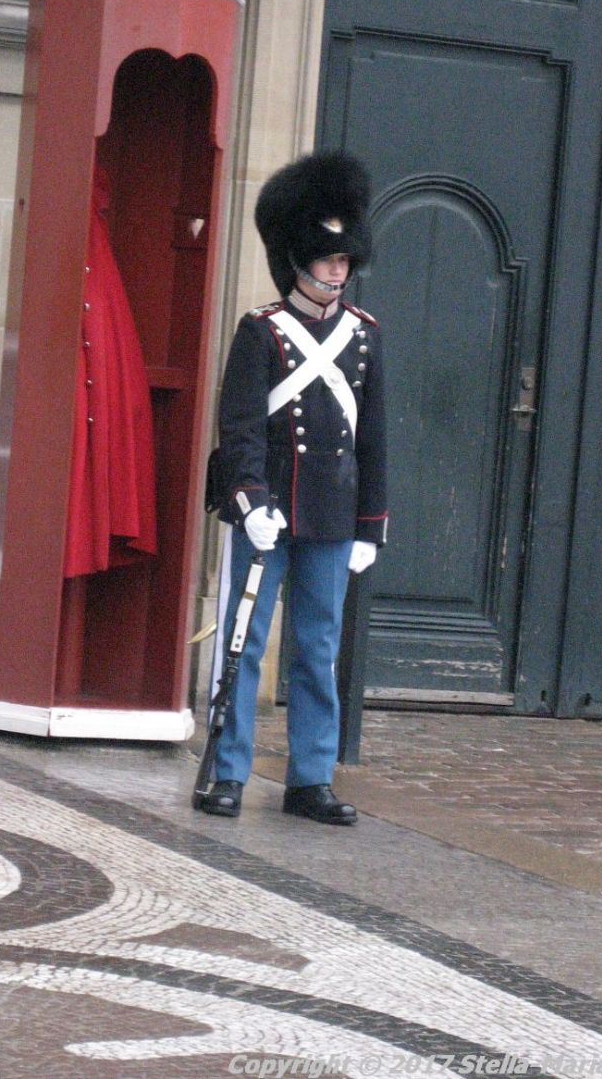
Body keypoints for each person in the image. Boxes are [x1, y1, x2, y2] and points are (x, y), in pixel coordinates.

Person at [200, 151, 388, 825]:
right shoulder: (261, 332)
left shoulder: (362, 338)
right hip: (269, 512)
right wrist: (248, 500)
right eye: (325, 259)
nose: (336, 271)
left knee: (316, 648)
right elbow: (241, 424)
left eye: (343, 260)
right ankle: (228, 770)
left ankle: (310, 777)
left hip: (331, 516)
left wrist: (369, 525)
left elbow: (372, 440)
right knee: (243, 642)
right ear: (298, 259)